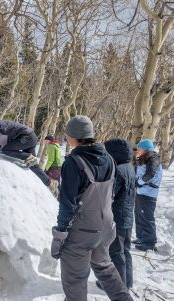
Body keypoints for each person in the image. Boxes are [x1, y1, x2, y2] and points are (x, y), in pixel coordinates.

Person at [50, 115, 132, 301]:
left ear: (74, 137)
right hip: (106, 228)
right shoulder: (109, 159)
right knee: (105, 268)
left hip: (82, 232)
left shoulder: (74, 162)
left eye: (67, 134)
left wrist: (59, 234)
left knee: (75, 281)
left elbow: (67, 204)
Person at [100, 138, 135, 289]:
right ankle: (127, 281)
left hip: (118, 217)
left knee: (116, 251)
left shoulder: (118, 170)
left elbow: (110, 195)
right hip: (127, 216)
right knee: (125, 250)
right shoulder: (129, 166)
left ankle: (119, 285)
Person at [133, 139, 162, 251]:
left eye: (139, 148)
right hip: (142, 193)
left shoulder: (153, 159)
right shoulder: (144, 159)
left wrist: (139, 182)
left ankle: (149, 242)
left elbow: (150, 173)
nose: (137, 151)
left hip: (149, 194)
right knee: (139, 216)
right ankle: (141, 237)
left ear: (145, 149)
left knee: (147, 218)